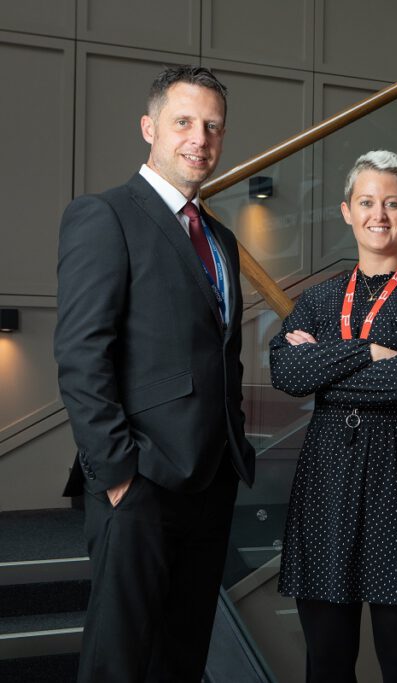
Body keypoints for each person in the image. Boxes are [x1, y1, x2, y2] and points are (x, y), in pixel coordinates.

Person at [54, 65, 255, 682]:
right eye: (184, 122)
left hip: (212, 478)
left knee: (181, 661)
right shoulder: (104, 215)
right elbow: (82, 354)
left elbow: (220, 354)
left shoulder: (220, 238)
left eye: (213, 126)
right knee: (118, 664)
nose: (200, 138)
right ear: (149, 128)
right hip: (139, 480)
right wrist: (117, 475)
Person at [269, 150, 397, 683]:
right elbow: (286, 371)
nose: (379, 215)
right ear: (346, 211)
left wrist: (324, 362)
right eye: (367, 202)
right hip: (326, 479)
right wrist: (372, 351)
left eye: (392, 204)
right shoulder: (319, 299)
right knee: (327, 664)